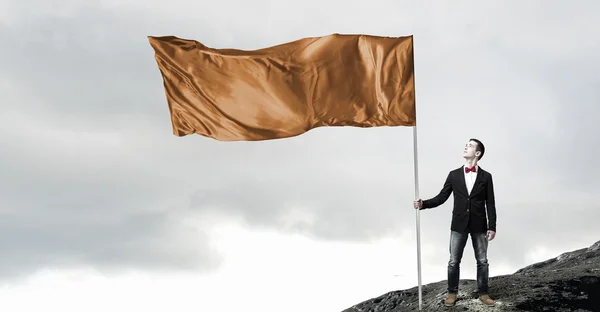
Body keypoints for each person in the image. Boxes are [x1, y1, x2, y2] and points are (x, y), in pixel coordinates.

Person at [413, 138, 497, 307]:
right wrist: (424, 204)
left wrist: (492, 226)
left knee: (482, 261)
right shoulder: (454, 175)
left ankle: (483, 293)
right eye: (466, 145)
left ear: (478, 153)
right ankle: (452, 293)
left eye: (470, 146)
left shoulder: (486, 177)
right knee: (453, 261)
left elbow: (491, 203)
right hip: (458, 224)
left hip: (479, 225)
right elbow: (442, 197)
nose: (466, 147)